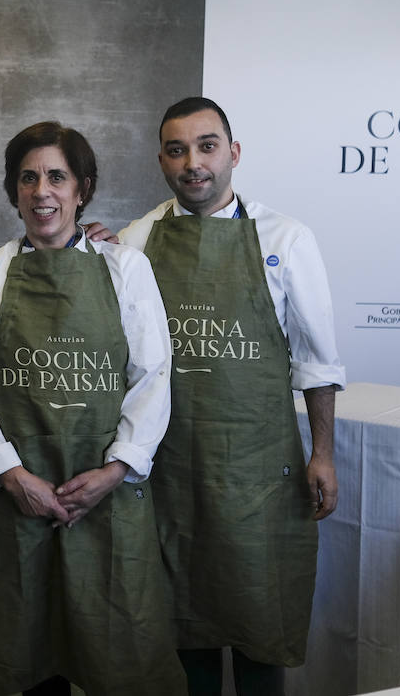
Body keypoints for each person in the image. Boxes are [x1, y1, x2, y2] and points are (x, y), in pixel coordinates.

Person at [0, 121, 186, 696]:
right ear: (13, 190)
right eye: (28, 179)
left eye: (57, 176)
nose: (41, 192)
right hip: (18, 499)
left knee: (117, 650)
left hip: (106, 496)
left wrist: (116, 468)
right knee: (21, 653)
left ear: (83, 188)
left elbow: (152, 376)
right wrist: (11, 474)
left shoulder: (125, 267)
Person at [117, 96, 345, 696]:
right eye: (177, 149)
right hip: (171, 469)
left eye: (207, 146)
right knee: (183, 617)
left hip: (259, 470)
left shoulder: (287, 238)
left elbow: (318, 360)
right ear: (162, 161)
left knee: (256, 620)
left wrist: (322, 452)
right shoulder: (137, 238)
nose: (194, 162)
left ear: (233, 153)